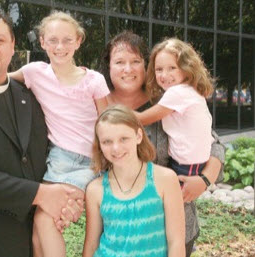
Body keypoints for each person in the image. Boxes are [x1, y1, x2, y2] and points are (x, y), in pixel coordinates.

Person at [0, 10, 109, 257]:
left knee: (46, 221)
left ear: (78, 41)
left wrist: (105, 166)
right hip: (56, 161)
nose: (60, 46)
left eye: (67, 40)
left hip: (85, 161)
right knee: (36, 233)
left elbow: (109, 123)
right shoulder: (34, 72)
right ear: (42, 42)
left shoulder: (94, 81)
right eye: (53, 40)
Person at [99, 31, 225, 257]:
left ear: (146, 67)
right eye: (119, 62)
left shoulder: (165, 101)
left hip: (173, 231)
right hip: (117, 232)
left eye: (136, 61)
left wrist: (205, 179)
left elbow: (214, 142)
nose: (128, 69)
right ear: (108, 66)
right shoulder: (96, 103)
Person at [83, 104, 185, 257]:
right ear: (100, 145)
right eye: (107, 142)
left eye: (123, 139)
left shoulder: (165, 179)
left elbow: (176, 241)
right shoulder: (95, 189)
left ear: (138, 136)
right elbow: (91, 245)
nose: (116, 148)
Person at [134, 38, 214, 186]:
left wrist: (110, 109)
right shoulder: (190, 90)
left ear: (186, 68)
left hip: (186, 165)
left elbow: (142, 119)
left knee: (176, 202)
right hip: (191, 162)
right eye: (159, 69)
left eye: (172, 68)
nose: (164, 75)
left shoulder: (178, 93)